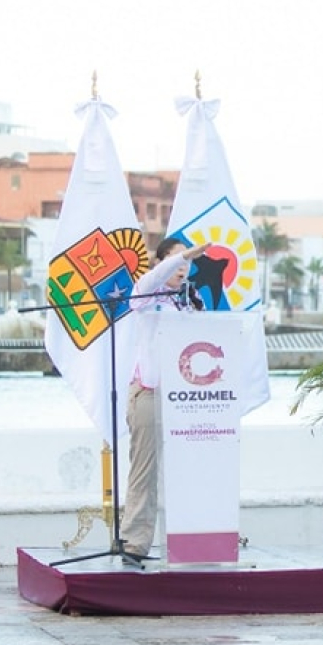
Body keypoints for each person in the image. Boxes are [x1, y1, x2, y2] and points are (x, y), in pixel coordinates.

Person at [122, 237, 209, 563]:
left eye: (187, 262)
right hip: (150, 392)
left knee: (188, 470)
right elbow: (151, 279)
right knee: (145, 471)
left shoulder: (192, 301)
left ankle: (191, 541)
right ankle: (134, 542)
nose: (182, 267)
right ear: (160, 263)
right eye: (175, 260)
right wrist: (182, 254)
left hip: (186, 397)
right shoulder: (145, 296)